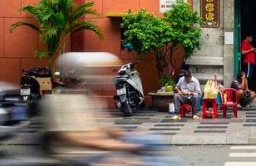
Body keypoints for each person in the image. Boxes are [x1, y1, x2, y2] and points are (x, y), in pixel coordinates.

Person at [42, 52, 173, 166]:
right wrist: (116, 146)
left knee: (155, 141)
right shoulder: (59, 101)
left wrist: (129, 136)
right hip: (77, 154)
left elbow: (106, 127)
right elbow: (74, 137)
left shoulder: (89, 99)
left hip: (99, 147)